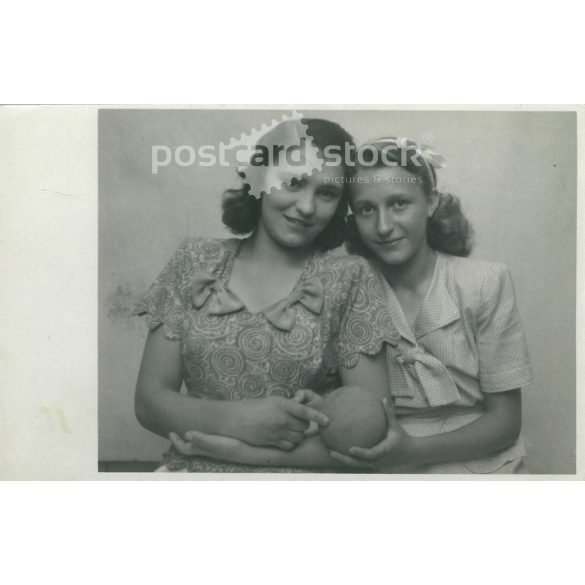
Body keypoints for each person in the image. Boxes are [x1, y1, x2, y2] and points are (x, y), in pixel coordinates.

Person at [134, 118, 396, 472]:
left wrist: (232, 450)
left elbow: (370, 440)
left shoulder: (350, 278)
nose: (306, 206)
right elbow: (149, 403)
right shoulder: (196, 259)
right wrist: (237, 419)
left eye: (327, 193)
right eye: (294, 182)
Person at [331, 137, 534, 473]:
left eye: (399, 204)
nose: (383, 227)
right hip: (389, 463)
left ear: (430, 202)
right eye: (367, 209)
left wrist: (412, 451)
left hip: (485, 463)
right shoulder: (351, 291)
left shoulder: (483, 283)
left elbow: (506, 421)